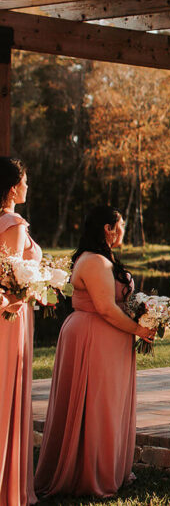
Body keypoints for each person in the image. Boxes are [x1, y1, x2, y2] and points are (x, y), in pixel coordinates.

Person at [35, 206, 155, 498]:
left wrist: (145, 315)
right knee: (94, 404)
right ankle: (89, 473)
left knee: (108, 403)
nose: (123, 229)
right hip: (92, 337)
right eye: (121, 224)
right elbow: (104, 308)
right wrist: (138, 330)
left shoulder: (105, 259)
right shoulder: (95, 262)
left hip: (110, 339)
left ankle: (111, 467)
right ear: (108, 228)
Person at [0, 158, 39, 506]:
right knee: (6, 393)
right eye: (25, 181)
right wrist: (37, 287)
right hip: (10, 317)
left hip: (10, 312)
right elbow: (10, 277)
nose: (28, 186)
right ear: (13, 188)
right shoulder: (12, 222)